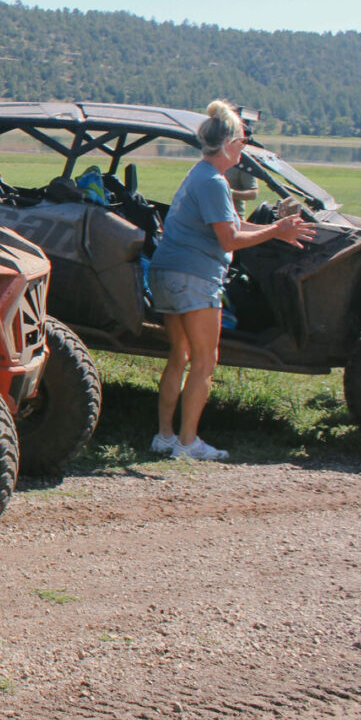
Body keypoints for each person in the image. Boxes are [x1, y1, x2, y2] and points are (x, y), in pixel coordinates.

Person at [147, 100, 315, 461]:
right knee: (206, 360)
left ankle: (164, 436)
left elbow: (231, 226)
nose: (243, 148)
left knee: (180, 354)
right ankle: (188, 443)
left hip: (167, 273)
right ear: (227, 144)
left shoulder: (201, 175)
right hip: (195, 277)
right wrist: (276, 231)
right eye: (240, 141)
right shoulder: (214, 182)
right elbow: (229, 240)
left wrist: (277, 230)